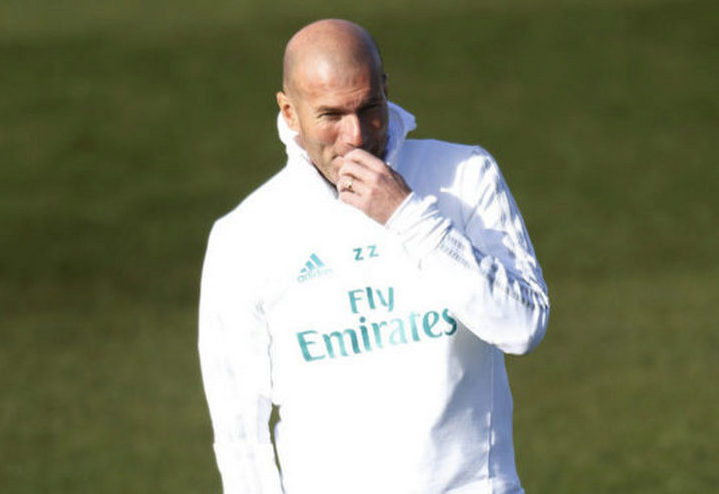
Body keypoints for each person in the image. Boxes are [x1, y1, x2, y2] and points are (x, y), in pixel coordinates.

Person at [199, 18, 549, 494]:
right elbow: (239, 429)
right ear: (289, 112)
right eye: (331, 115)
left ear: (386, 89)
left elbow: (523, 326)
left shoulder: (465, 175)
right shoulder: (243, 236)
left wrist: (408, 215)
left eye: (369, 108)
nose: (356, 135)